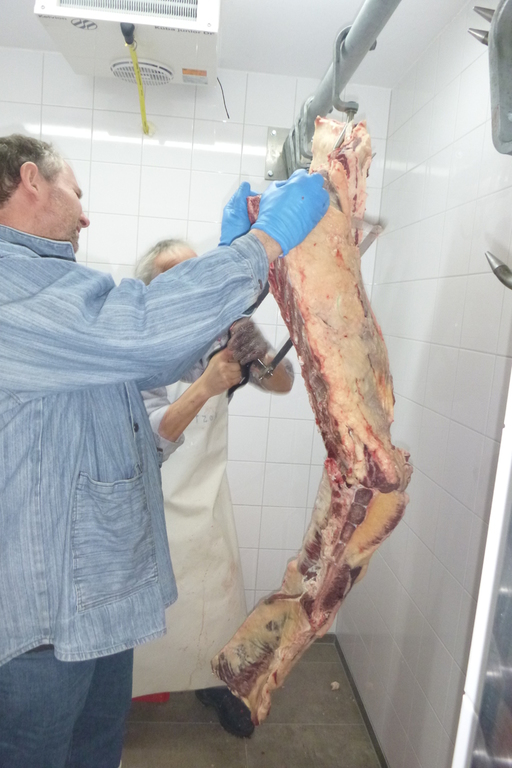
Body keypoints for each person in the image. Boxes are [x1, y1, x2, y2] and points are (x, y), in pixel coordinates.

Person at [0, 134, 329, 768]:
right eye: (76, 192)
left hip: (96, 600)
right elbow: (145, 329)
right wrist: (258, 245)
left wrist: (237, 283)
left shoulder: (56, 287)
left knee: (96, 752)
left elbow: (157, 371)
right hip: (42, 625)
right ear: (32, 181)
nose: (85, 215)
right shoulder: (14, 286)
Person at [131, 239, 294, 738]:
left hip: (205, 498)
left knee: (215, 603)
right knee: (150, 615)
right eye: (172, 275)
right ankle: (128, 692)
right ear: (150, 288)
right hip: (148, 503)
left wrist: (256, 348)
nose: (188, 283)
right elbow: (154, 430)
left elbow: (283, 381)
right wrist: (207, 383)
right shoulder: (136, 342)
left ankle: (215, 683)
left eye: (194, 272)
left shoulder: (220, 333)